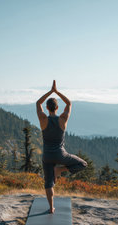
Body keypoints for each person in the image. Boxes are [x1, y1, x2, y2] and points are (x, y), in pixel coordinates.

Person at [36, 80, 88, 214]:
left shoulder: (43, 119)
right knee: (82, 164)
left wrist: (50, 91)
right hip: (60, 154)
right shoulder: (63, 119)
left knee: (48, 183)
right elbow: (69, 103)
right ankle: (59, 170)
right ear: (57, 108)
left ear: (47, 108)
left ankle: (51, 207)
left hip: (47, 156)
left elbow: (38, 103)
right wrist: (57, 92)